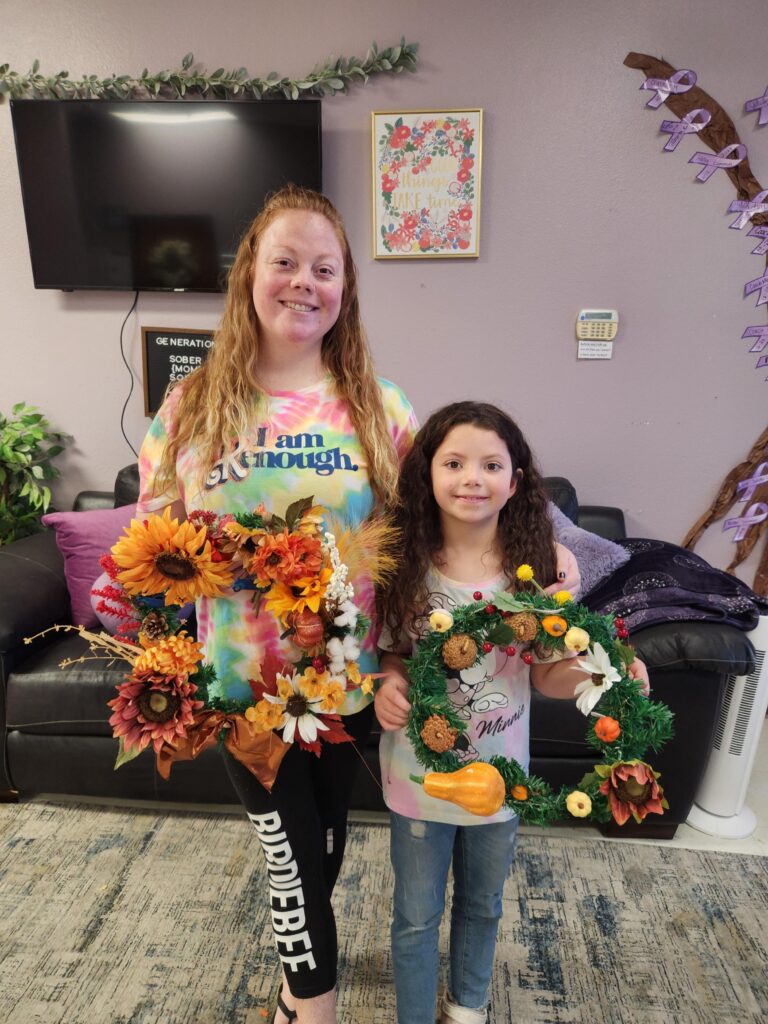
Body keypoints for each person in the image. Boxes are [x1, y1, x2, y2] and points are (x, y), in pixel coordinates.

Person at [136, 185, 417, 1024]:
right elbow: (155, 550)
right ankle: (312, 1012)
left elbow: (412, 546)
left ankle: (299, 989)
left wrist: (400, 653)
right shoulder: (191, 406)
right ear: (249, 275)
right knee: (290, 860)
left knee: (322, 853)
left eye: (323, 268)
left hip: (349, 687)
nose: (304, 282)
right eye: (285, 261)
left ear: (346, 289)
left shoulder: (380, 406)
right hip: (243, 692)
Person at [374, 401, 649, 1024]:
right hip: (420, 778)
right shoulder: (402, 565)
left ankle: (467, 1008)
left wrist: (606, 670)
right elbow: (391, 654)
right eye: (454, 463)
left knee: (484, 903)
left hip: (503, 776)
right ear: (428, 474)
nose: (472, 478)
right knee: (416, 916)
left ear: (516, 481)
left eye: (491, 464)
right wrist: (386, 684)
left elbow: (549, 675)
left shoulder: (538, 571)